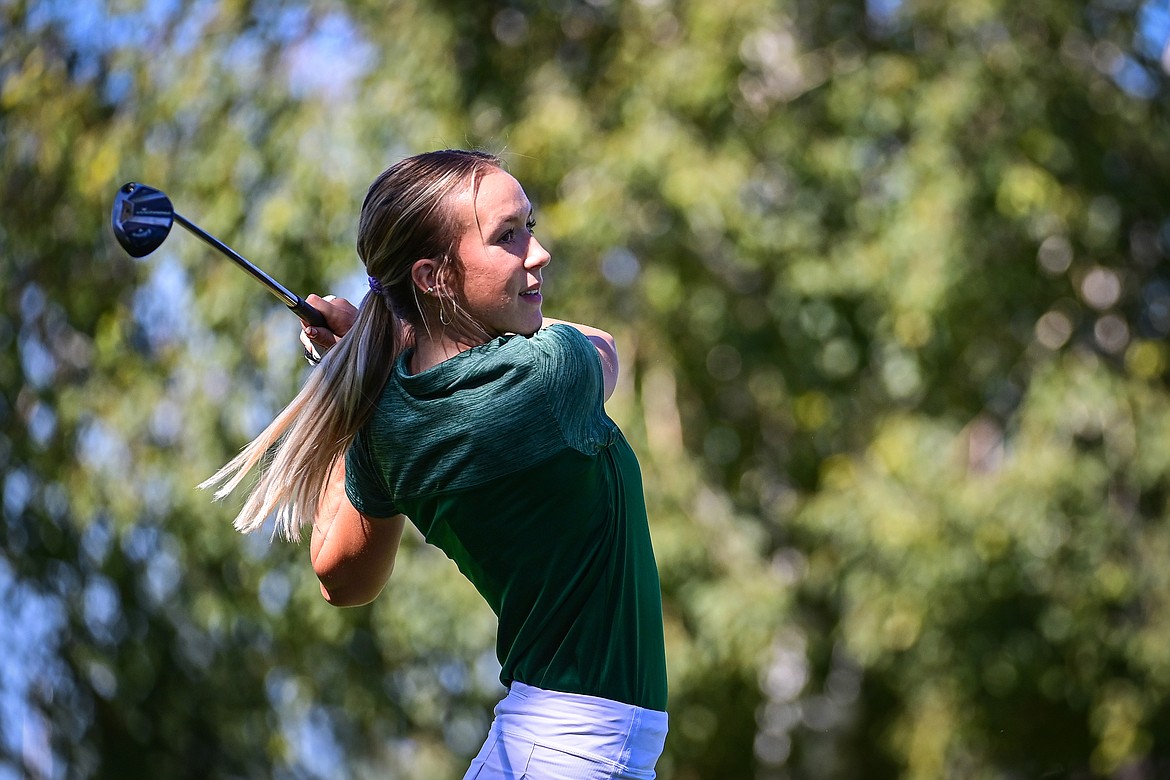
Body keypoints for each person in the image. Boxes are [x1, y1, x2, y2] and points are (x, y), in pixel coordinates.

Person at [201, 149, 668, 779]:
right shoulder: (548, 375)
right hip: (573, 751)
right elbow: (601, 348)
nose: (537, 253)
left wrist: (362, 384)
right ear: (434, 277)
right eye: (508, 237)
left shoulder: (387, 425)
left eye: (529, 226)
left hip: (541, 743)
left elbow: (342, 577)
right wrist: (378, 355)